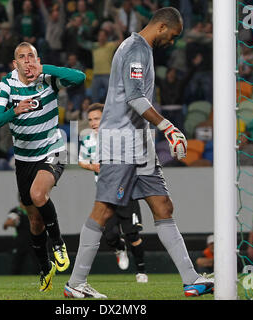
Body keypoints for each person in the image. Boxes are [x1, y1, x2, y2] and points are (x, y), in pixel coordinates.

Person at [64, 7, 214, 299]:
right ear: (160, 27)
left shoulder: (142, 49)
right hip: (120, 142)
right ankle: (76, 283)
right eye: (173, 36)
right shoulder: (135, 49)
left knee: (163, 206)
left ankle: (191, 280)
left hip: (139, 144)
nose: (172, 42)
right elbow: (134, 97)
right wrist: (169, 127)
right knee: (104, 210)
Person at [0, 42, 86, 292]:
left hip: (53, 149)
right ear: (15, 64)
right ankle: (45, 268)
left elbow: (79, 77)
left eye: (31, 56)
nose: (27, 61)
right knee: (34, 221)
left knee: (38, 194)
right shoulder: (7, 85)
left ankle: (58, 244)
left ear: (37, 60)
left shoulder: (48, 78)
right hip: (24, 159)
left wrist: (46, 68)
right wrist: (14, 111)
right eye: (22, 57)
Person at [79, 103, 148, 283]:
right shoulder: (87, 140)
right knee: (109, 235)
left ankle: (141, 271)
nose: (93, 123)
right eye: (90, 120)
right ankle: (119, 248)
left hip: (126, 191)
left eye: (97, 118)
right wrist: (90, 166)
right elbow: (81, 161)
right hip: (104, 193)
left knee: (133, 234)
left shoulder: (120, 137)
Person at [2, 198, 38, 275]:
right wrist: (12, 222)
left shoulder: (34, 210)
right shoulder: (16, 211)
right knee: (17, 261)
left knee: (38, 261)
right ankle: (14, 276)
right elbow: (6, 225)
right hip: (21, 240)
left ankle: (42, 276)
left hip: (34, 239)